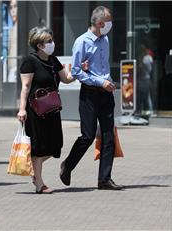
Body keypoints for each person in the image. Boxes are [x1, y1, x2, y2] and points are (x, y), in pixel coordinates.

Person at [59, 6, 124, 190]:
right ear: (100, 23)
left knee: (108, 137)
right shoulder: (82, 42)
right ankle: (67, 165)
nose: (111, 25)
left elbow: (103, 67)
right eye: (108, 21)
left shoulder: (105, 40)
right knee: (87, 136)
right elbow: (77, 71)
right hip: (89, 93)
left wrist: (109, 82)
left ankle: (104, 179)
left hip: (106, 94)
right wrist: (99, 82)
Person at [17, 26, 75, 194]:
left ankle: (35, 169)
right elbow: (25, 87)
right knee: (39, 146)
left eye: (52, 40)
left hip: (52, 109)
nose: (52, 43)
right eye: (49, 41)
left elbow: (66, 79)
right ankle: (39, 183)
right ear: (39, 44)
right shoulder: (30, 61)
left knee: (55, 145)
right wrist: (22, 109)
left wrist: (80, 70)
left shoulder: (53, 60)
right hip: (35, 111)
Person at [137, 43, 153, 115]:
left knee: (143, 96)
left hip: (143, 79)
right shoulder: (149, 58)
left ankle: (141, 111)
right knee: (147, 96)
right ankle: (149, 110)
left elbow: (140, 68)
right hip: (147, 78)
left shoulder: (144, 58)